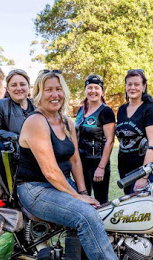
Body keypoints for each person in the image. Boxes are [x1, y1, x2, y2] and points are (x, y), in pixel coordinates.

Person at [16, 70, 118, 259]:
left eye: (58, 89)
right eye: (48, 90)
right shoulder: (36, 121)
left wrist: (84, 192)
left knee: (101, 210)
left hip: (60, 186)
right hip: (36, 189)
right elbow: (50, 171)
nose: (55, 95)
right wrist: (77, 198)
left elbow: (75, 159)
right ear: (39, 93)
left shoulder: (66, 122)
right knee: (86, 216)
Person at [115, 69, 153, 194]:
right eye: (129, 84)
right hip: (125, 168)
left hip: (142, 169)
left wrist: (143, 176)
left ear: (143, 86)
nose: (132, 87)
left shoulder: (150, 109)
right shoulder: (122, 110)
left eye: (136, 84)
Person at [75, 74, 115, 204]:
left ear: (101, 91)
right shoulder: (81, 110)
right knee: (82, 199)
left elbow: (110, 141)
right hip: (81, 163)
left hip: (97, 163)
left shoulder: (106, 112)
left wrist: (101, 167)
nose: (93, 91)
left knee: (100, 201)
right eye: (90, 87)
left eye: (96, 88)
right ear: (85, 90)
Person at [0, 69, 35, 141]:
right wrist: (14, 137)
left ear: (29, 87)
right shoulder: (0, 106)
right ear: (8, 89)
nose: (19, 88)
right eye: (14, 85)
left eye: (22, 84)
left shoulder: (38, 106)